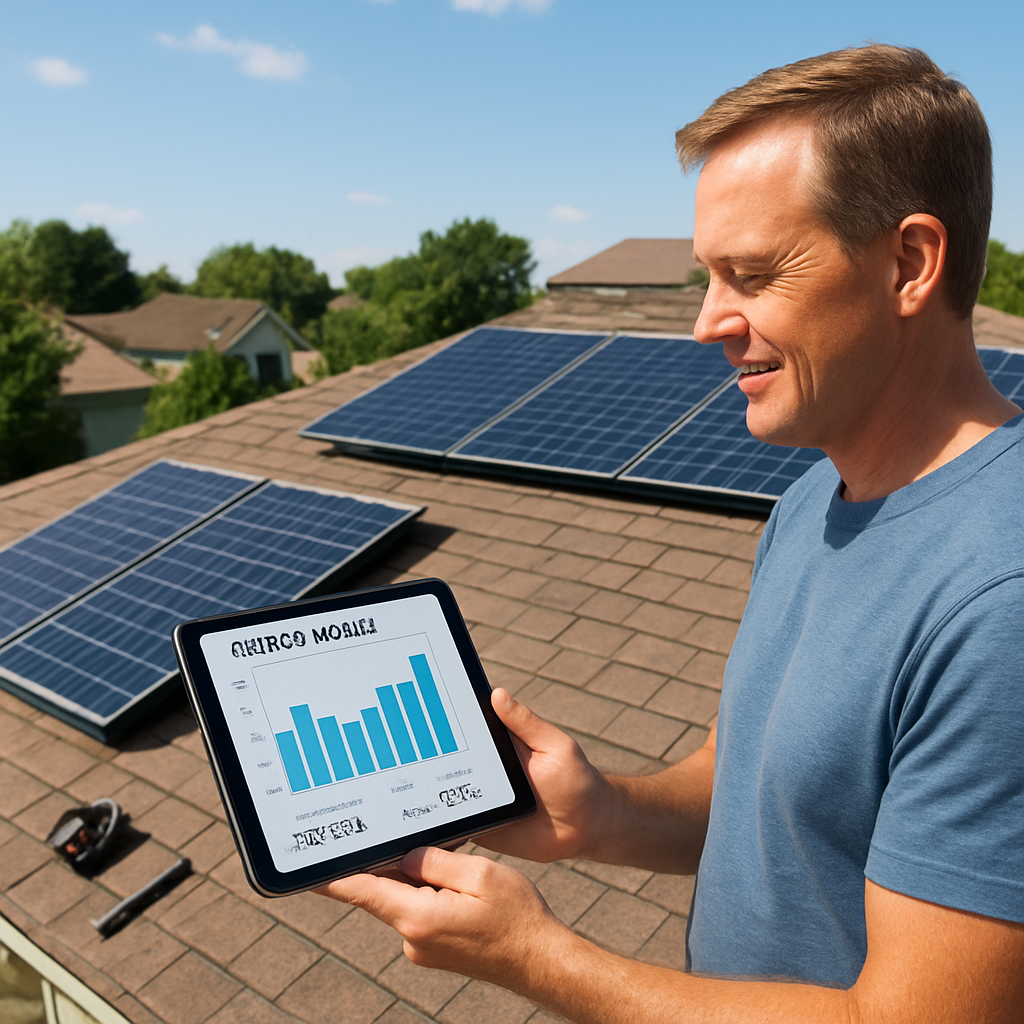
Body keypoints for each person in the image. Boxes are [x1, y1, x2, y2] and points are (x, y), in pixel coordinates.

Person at [318, 45, 1024, 1022]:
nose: (705, 322)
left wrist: (538, 959)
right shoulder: (807, 505)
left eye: (749, 272)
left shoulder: (1001, 603)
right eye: (707, 274)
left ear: (908, 263)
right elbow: (750, 793)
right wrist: (595, 812)